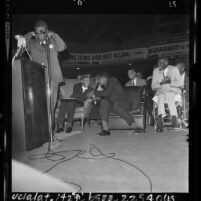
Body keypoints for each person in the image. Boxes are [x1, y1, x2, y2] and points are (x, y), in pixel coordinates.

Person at [17, 20, 67, 128]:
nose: (40, 35)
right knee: (39, 105)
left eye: (42, 32)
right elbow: (21, 48)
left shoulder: (53, 41)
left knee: (51, 105)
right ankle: (43, 133)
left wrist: (54, 34)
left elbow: (62, 47)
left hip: (53, 77)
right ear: (35, 32)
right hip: (37, 77)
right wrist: (29, 35)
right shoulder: (32, 43)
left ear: (46, 31)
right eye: (37, 32)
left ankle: (50, 133)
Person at [88, 72, 135, 136]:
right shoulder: (106, 87)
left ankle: (134, 125)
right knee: (104, 102)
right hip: (115, 106)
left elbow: (105, 93)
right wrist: (95, 98)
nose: (98, 82)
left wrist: (94, 92)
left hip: (124, 104)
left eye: (99, 80)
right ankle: (105, 130)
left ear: (103, 78)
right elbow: (106, 97)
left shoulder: (113, 80)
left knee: (116, 105)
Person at [152, 57, 183, 132]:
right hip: (161, 91)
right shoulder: (156, 71)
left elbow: (181, 83)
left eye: (161, 63)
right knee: (161, 96)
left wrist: (169, 82)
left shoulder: (174, 69)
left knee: (168, 94)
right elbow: (153, 86)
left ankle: (160, 118)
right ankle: (173, 117)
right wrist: (162, 83)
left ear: (166, 63)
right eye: (158, 63)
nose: (159, 64)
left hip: (172, 91)